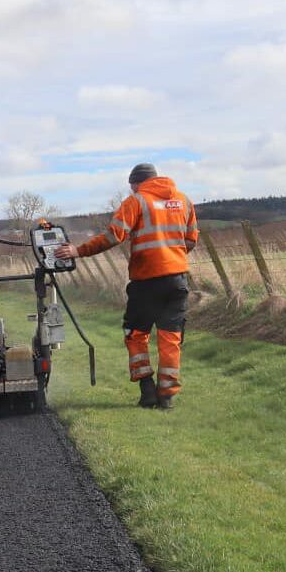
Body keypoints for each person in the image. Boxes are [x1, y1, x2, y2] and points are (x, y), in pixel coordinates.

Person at [54, 163, 199, 409]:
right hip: (177, 280)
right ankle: (167, 397)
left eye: (132, 187)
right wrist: (170, 254)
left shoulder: (136, 201)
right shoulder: (184, 200)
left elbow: (113, 236)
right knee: (170, 338)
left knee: (135, 334)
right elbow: (191, 240)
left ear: (136, 183)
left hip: (146, 283)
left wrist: (78, 251)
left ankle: (146, 390)